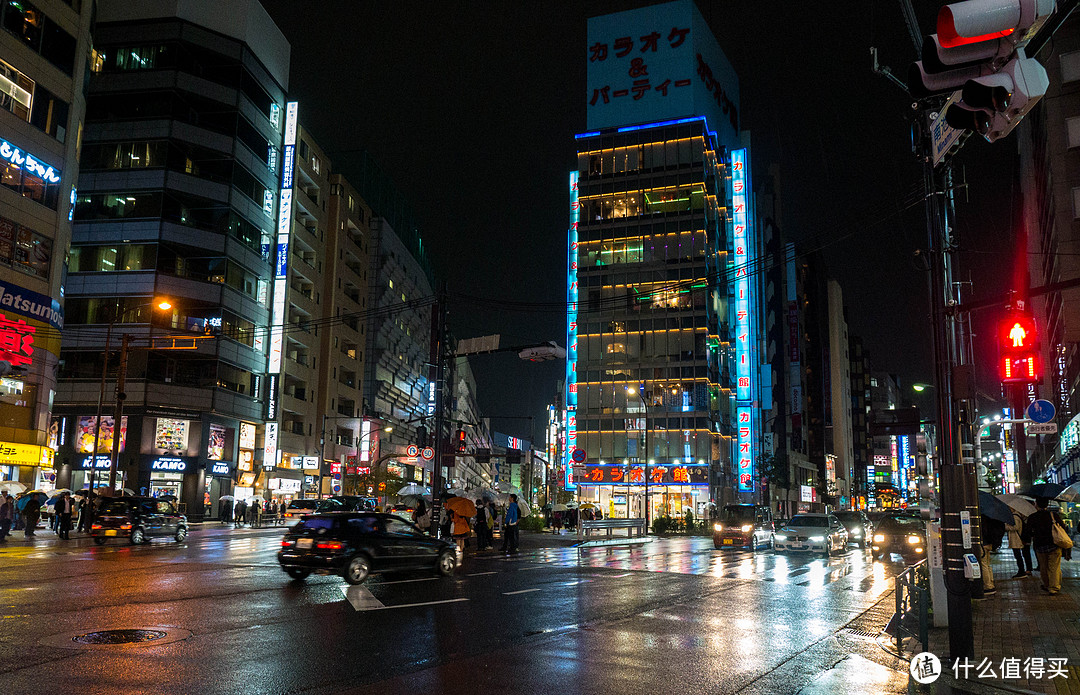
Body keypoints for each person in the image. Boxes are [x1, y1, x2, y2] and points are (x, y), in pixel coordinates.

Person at [1029, 497, 1068, 595]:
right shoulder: (1053, 515)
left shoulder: (1033, 517)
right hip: (1054, 544)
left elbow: (1028, 532)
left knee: (1043, 566)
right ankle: (1053, 588)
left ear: (1036, 504)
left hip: (1040, 546)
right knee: (1054, 567)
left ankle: (1047, 585)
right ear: (1047, 505)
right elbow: (1063, 527)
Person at [978, 514, 1005, 595]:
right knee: (987, 564)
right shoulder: (993, 517)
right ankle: (991, 582)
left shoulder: (983, 519)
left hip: (984, 544)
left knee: (984, 565)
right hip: (990, 544)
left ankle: (988, 586)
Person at [1005, 509, 1033, 578]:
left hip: (1016, 539)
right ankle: (1022, 570)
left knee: (1018, 555)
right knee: (1019, 555)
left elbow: (1016, 527)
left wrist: (1006, 527)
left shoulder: (1015, 516)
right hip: (1017, 539)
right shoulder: (1016, 515)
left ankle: (1021, 571)